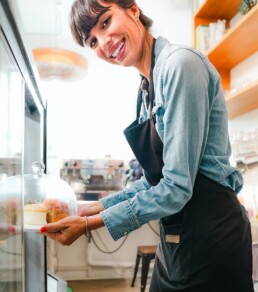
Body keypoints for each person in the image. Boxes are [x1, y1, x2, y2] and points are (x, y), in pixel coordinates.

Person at [40, 0, 254, 291]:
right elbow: (153, 183)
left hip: (213, 238)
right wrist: (92, 209)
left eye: (105, 22)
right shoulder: (145, 89)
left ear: (133, 11)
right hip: (175, 237)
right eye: (92, 41)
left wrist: (92, 224)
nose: (104, 42)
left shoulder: (181, 65)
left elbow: (176, 188)